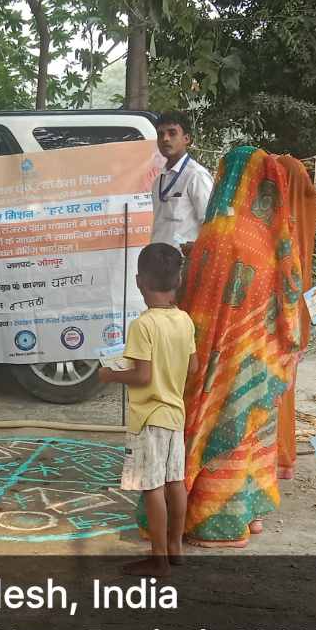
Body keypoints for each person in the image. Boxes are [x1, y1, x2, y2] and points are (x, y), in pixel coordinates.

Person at [176, 147, 316, 546]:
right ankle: (251, 516)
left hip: (219, 358)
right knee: (253, 432)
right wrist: (288, 346)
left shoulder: (214, 235)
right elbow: (290, 295)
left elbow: (194, 304)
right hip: (261, 359)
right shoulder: (274, 237)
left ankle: (216, 523)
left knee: (220, 430)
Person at [100, 243, 197, 578]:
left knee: (152, 486)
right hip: (174, 413)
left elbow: (142, 376)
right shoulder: (184, 320)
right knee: (175, 481)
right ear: (178, 280)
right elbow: (193, 366)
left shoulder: (143, 325)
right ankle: (175, 548)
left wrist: (110, 375)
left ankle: (158, 559)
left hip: (149, 417)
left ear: (139, 281)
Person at [149, 112, 214, 254]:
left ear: (186, 138)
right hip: (158, 260)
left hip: (184, 262)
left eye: (172, 133)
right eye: (160, 134)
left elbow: (211, 225)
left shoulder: (196, 175)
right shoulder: (159, 180)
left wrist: (195, 251)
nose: (165, 139)